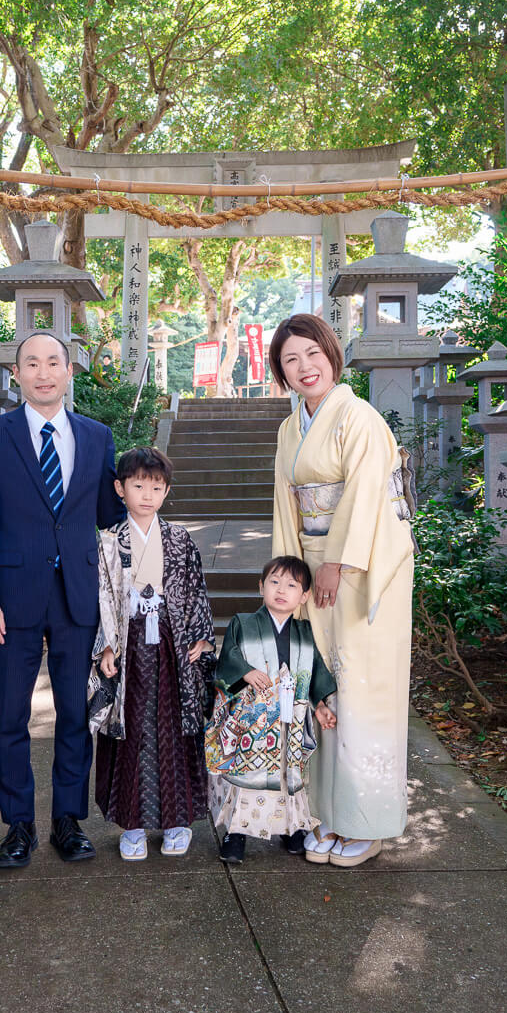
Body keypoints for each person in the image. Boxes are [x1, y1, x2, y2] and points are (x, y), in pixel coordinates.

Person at [0, 330, 126, 869]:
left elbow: (110, 516)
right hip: (10, 599)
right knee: (10, 716)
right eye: (31, 363)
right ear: (17, 375)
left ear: (69, 371)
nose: (43, 372)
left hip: (79, 598)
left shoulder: (98, 437)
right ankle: (17, 826)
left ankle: (68, 822)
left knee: (75, 716)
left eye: (53, 362)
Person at [269, 313, 415, 868]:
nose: (304, 367)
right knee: (321, 690)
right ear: (280, 373)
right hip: (314, 565)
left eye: (312, 353)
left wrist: (336, 564)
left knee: (361, 691)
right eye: (290, 360)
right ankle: (329, 814)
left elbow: (369, 497)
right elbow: (286, 501)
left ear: (331, 353)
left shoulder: (360, 417)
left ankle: (369, 823)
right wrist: (291, 575)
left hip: (361, 572)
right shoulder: (290, 429)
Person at [89, 447, 216, 860]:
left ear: (166, 491)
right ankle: (133, 824)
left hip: (172, 643)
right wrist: (106, 644)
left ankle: (178, 820)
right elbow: (102, 597)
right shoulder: (109, 540)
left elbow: (195, 590)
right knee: (133, 728)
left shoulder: (180, 540)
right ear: (119, 488)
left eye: (156, 487)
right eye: (138, 485)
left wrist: (200, 637)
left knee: (175, 726)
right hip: (127, 641)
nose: (147, 494)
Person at [207, 555, 338, 864]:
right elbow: (229, 659)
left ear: (304, 596)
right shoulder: (244, 622)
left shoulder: (305, 632)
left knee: (287, 774)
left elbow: (315, 670)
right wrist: (245, 673)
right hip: (253, 720)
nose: (282, 590)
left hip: (290, 718)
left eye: (292, 585)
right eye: (274, 582)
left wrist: (319, 706)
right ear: (261, 587)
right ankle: (236, 833)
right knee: (247, 776)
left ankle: (291, 828)